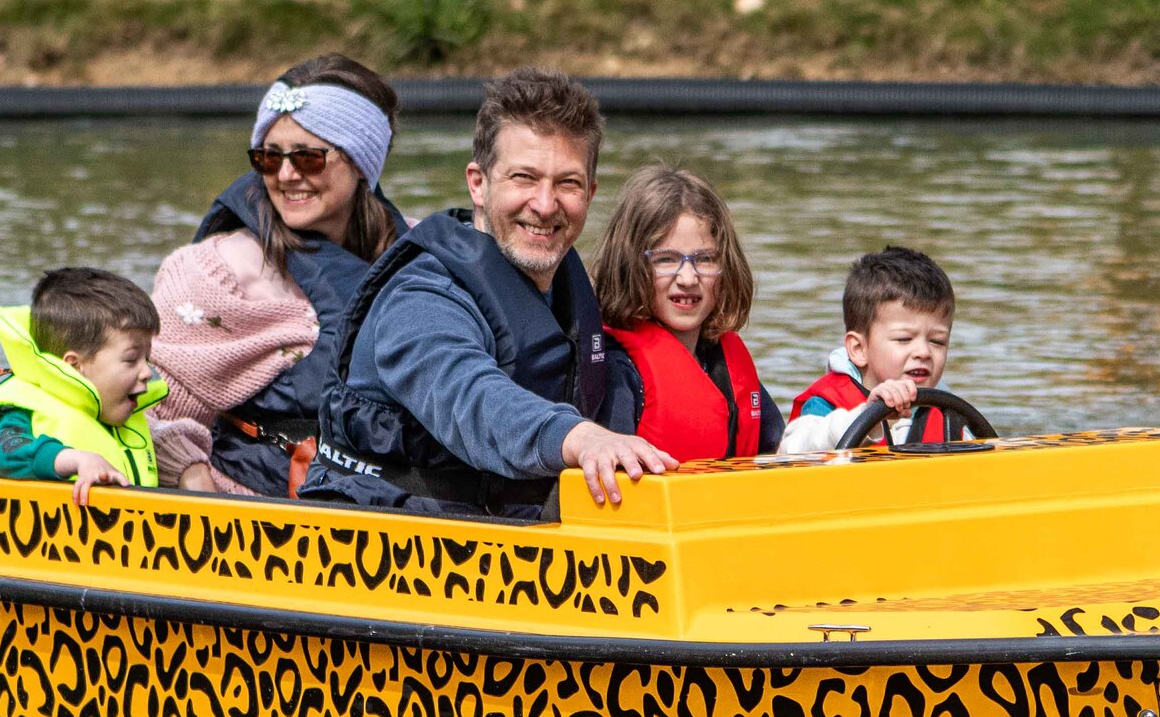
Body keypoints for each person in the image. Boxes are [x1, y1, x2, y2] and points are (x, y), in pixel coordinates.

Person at [310, 68, 676, 518]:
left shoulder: (570, 294)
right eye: (524, 178)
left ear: (591, 192)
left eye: (567, 183)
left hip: (515, 536)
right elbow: (471, 398)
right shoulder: (421, 300)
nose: (545, 204)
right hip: (382, 545)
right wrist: (579, 438)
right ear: (478, 183)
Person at [188, 55, 403, 496]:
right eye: (269, 157)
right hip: (248, 512)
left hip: (380, 509)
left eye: (308, 158)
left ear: (362, 162)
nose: (286, 175)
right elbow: (161, 415)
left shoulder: (418, 253)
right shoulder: (219, 267)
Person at [594, 166, 783, 465]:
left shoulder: (723, 363)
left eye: (705, 259)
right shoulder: (618, 371)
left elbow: (783, 448)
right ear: (630, 266)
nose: (688, 277)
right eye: (665, 259)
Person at [0, 266, 168, 503]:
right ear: (73, 365)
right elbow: (6, 453)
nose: (146, 372)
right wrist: (75, 459)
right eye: (132, 359)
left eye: (148, 359)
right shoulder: (18, 412)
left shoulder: (126, 415)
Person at [147, 232, 322, 494]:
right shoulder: (204, 277)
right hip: (237, 507)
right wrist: (185, 464)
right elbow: (136, 407)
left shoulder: (401, 263)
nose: (292, 187)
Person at [778, 248, 966, 455]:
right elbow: (792, 450)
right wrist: (867, 417)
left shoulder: (950, 413)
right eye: (904, 339)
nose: (923, 352)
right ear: (859, 349)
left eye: (937, 341)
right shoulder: (825, 404)